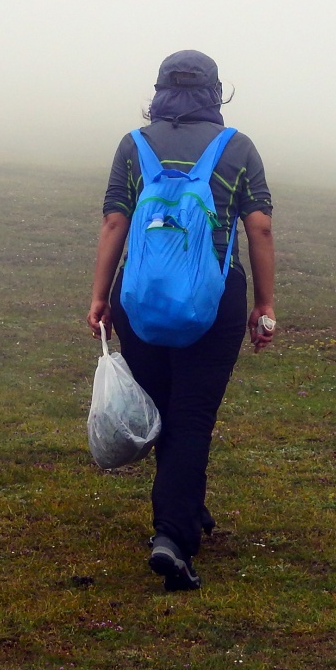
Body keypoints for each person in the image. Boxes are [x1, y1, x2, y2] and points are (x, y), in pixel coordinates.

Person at [86, 50, 276, 590]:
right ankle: (173, 535)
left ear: (161, 91)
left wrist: (101, 296)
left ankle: (186, 507)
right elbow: (258, 227)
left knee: (167, 406)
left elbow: (114, 220)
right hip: (212, 301)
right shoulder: (236, 147)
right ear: (216, 92)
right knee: (191, 416)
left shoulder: (135, 145)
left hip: (138, 299)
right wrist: (263, 305)